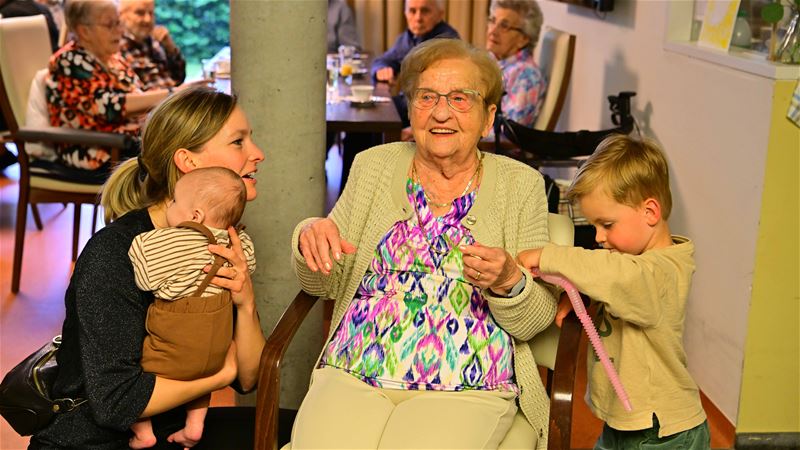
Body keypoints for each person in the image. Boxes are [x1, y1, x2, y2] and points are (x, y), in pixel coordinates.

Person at [291, 39, 557, 449]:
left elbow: (536, 318)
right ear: (410, 107)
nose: (440, 112)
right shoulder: (373, 165)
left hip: (466, 381)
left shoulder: (521, 185)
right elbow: (321, 284)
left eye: (460, 98)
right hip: (355, 365)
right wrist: (310, 237)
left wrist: (510, 280)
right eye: (426, 96)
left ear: (488, 118)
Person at [29, 85, 266, 450]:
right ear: (188, 161)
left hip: (168, 429)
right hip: (95, 441)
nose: (258, 154)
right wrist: (221, 373)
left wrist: (246, 303)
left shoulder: (215, 241)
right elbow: (116, 403)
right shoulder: (115, 253)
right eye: (238, 142)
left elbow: (249, 379)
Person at [517, 135, 711, 449]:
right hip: (626, 425)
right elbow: (620, 287)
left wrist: (549, 256)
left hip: (662, 433)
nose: (599, 237)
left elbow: (620, 278)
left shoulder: (661, 271)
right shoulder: (635, 267)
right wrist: (586, 295)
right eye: (594, 226)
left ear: (649, 212)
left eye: (607, 225)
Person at [127, 167, 256, 449]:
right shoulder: (240, 243)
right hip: (215, 351)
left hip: (175, 344)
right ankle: (194, 426)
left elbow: (145, 277)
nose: (169, 207)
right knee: (199, 372)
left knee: (137, 376)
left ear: (195, 216)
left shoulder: (173, 241)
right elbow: (249, 269)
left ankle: (143, 432)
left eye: (173, 202)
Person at [45, 0, 198, 180]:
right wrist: (173, 93)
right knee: (183, 153)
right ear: (83, 31)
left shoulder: (114, 59)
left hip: (126, 144)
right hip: (96, 150)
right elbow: (109, 106)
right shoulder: (68, 61)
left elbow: (139, 95)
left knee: (193, 137)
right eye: (110, 25)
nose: (119, 30)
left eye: (118, 23)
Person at [340, 0, 460, 194]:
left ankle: (365, 193)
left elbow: (442, 97)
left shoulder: (446, 42)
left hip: (428, 113)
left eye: (425, 11)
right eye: (412, 11)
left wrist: (414, 127)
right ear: (405, 14)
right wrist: (382, 70)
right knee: (360, 125)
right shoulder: (409, 37)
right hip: (410, 105)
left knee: (365, 127)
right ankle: (353, 194)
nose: (418, 17)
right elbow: (384, 59)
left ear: (440, 14)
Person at [486, 0, 546, 131]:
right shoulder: (492, 60)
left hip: (494, 148)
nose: (493, 31)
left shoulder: (526, 76)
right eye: (492, 21)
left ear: (523, 39)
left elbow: (509, 131)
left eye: (504, 26)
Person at [119, 0, 186, 90]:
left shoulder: (155, 42)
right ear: (121, 15)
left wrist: (170, 48)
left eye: (151, 13)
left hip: (173, 100)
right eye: (140, 13)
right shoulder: (115, 47)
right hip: (155, 102)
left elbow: (179, 78)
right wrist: (173, 92)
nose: (148, 19)